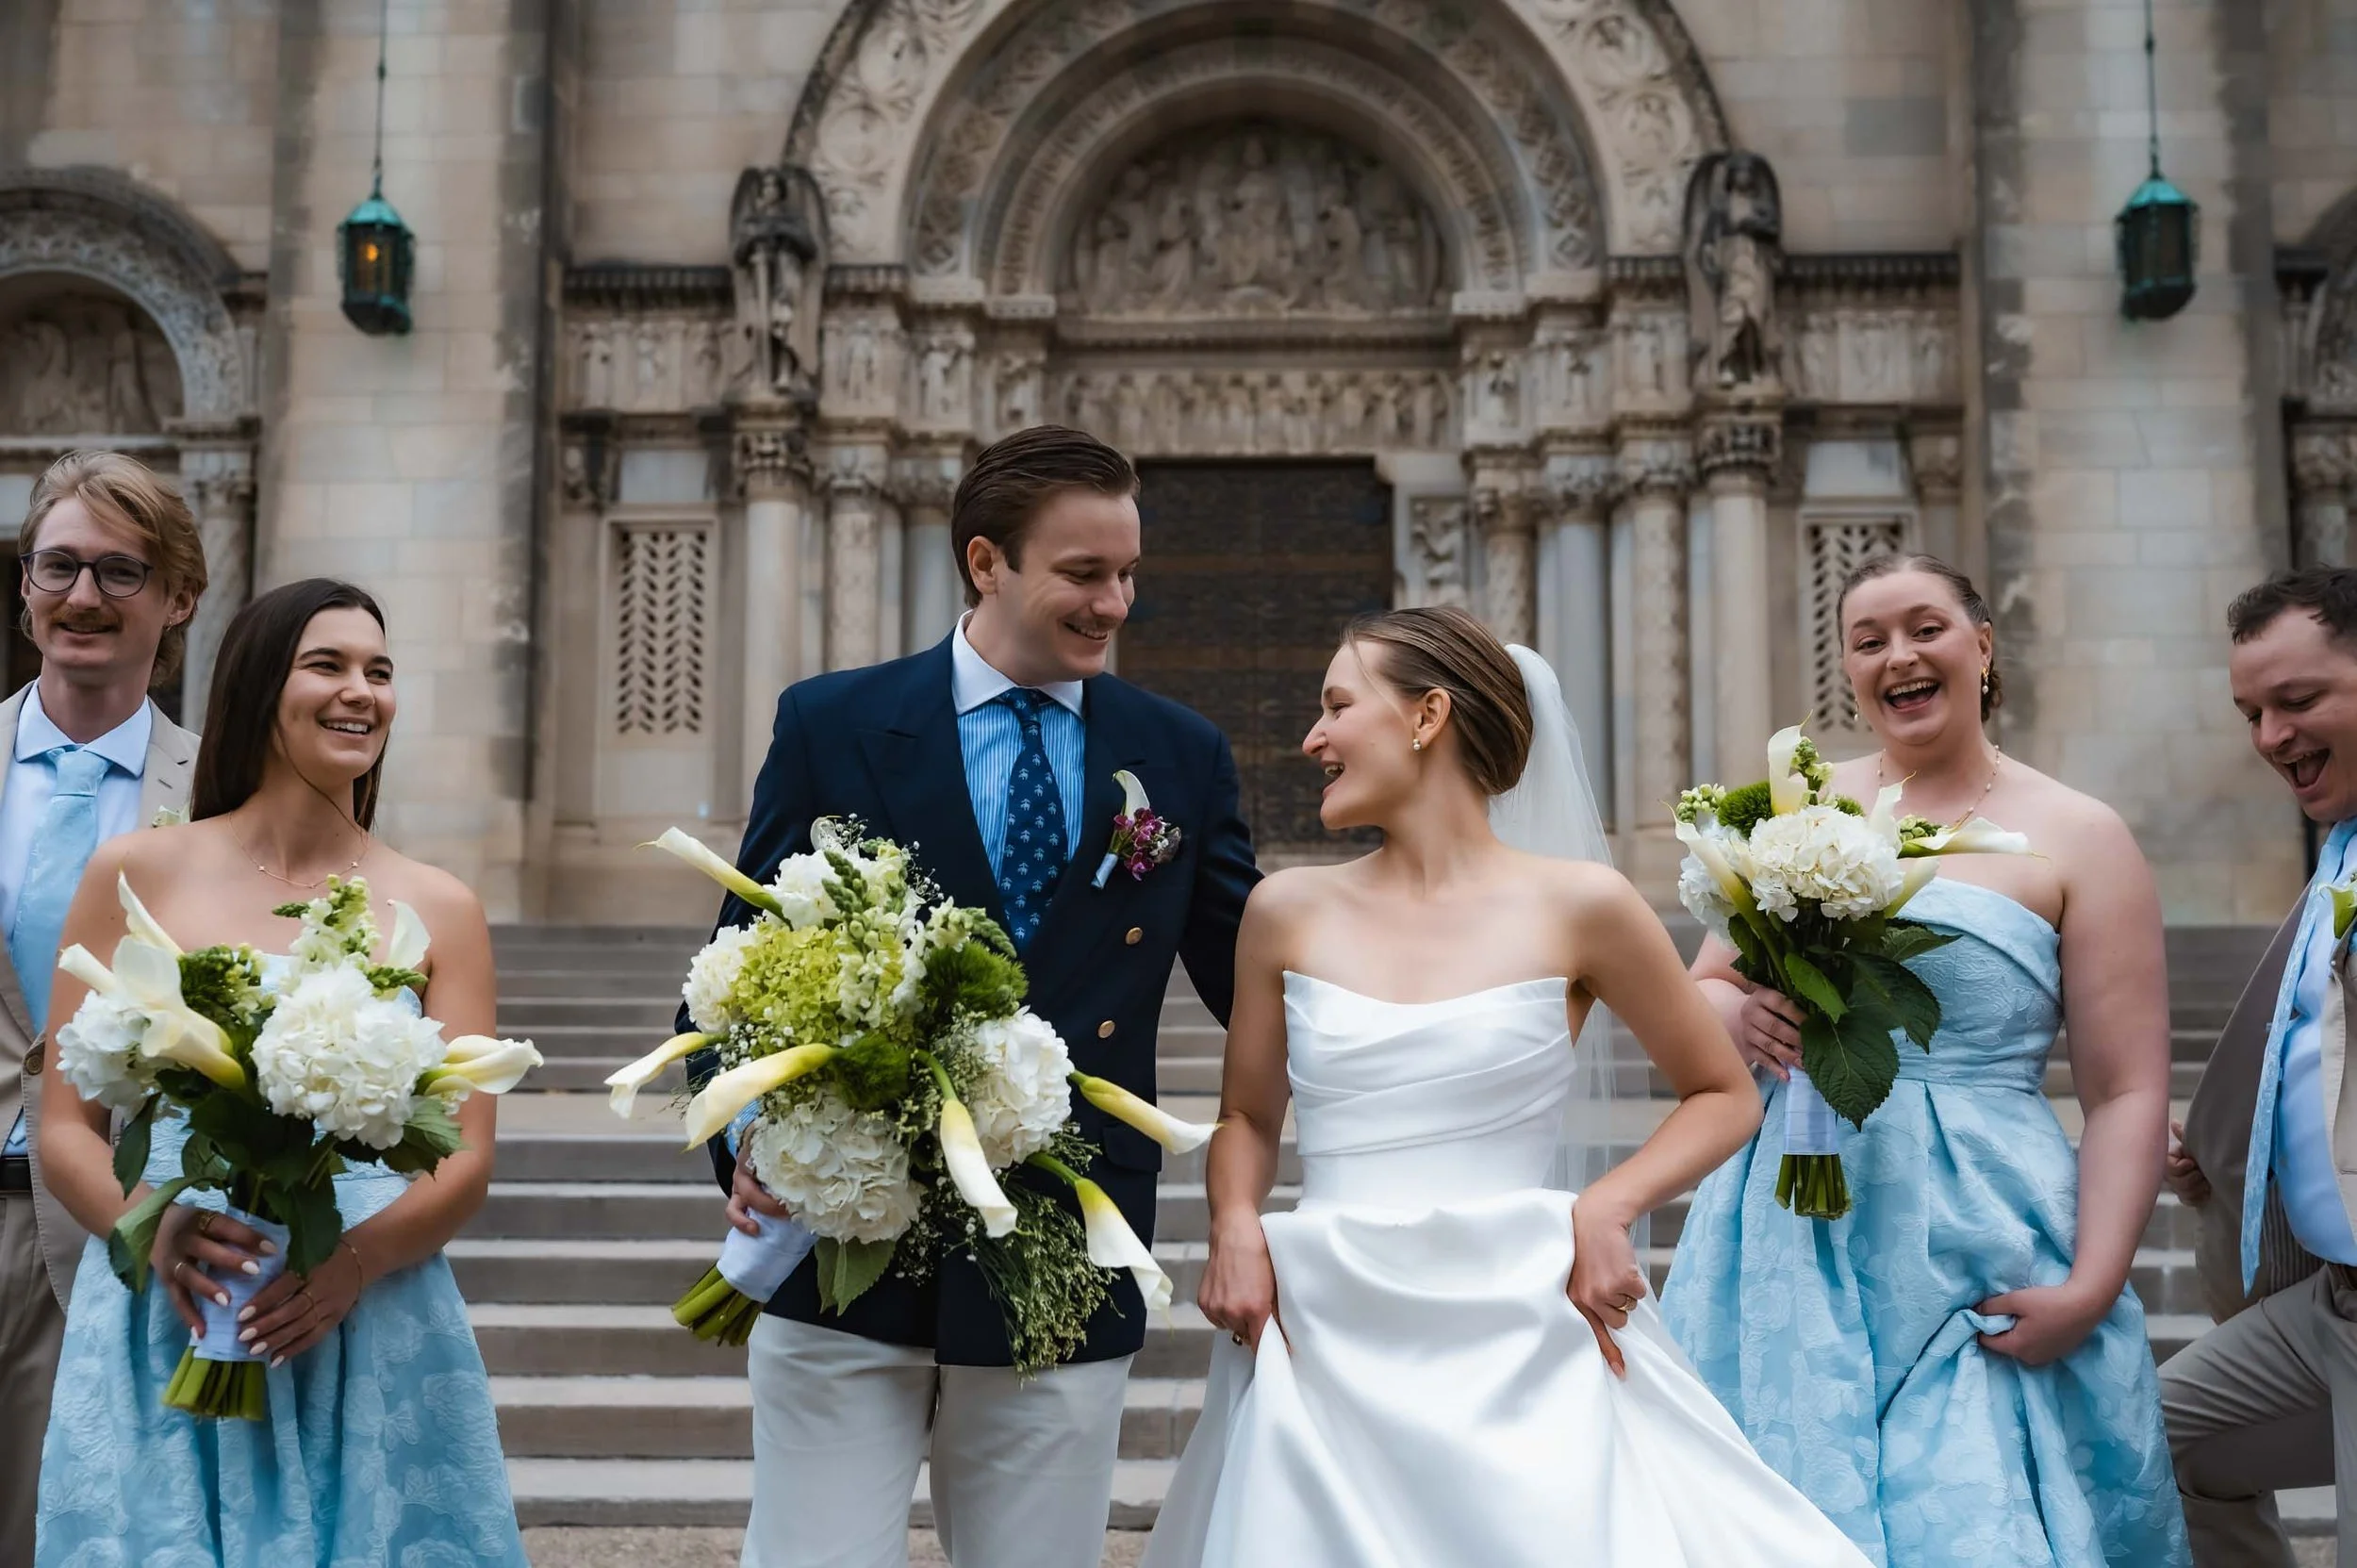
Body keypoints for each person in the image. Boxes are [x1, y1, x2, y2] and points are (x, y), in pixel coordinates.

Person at [1145, 605, 1871, 1567]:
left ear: (1426, 715)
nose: (1311, 737)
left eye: (1337, 706)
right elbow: (1246, 1114)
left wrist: (1608, 1205)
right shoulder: (1285, 909)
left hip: (1524, 1318)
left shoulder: (1584, 904)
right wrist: (1235, 1222)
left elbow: (1721, 1092)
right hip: (1325, 1319)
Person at [698, 424, 1259, 1568]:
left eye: (1128, 573)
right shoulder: (831, 723)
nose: (1115, 604)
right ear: (985, 561)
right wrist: (747, 1134)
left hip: (1061, 1246)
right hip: (847, 1236)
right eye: (1085, 572)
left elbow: (1259, 982)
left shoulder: (1180, 753)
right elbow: (734, 970)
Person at [1661, 553, 2188, 1565]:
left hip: (1985, 1239)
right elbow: (1704, 991)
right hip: (1791, 1228)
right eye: (1869, 641)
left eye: (1925, 628)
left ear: (1981, 647)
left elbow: (2124, 1088)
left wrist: (2092, 1283)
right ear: (1850, 671)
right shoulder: (1795, 809)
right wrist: (1736, 1013)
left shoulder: (2081, 834)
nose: (1897, 656)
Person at [34, 579, 527, 1566]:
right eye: (328, 665)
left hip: (363, 1308)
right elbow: (63, 1125)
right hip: (174, 1297)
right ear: (261, 686)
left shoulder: (441, 904)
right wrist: (153, 1229)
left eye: (379, 672)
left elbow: (467, 1156)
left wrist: (350, 1266)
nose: (362, 692)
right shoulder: (135, 872)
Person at [0, 451, 204, 1560]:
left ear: (179, 600)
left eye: (121, 572)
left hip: (120, 1223)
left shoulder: (222, 799)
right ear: (25, 583)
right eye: (59, 566)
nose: (83, 596)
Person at [2162, 566, 2357, 1565]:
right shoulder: (2339, 855)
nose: (2272, 736)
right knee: (2153, 1440)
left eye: (2298, 700)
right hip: (2334, 1304)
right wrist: (2226, 1152)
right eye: (2251, 714)